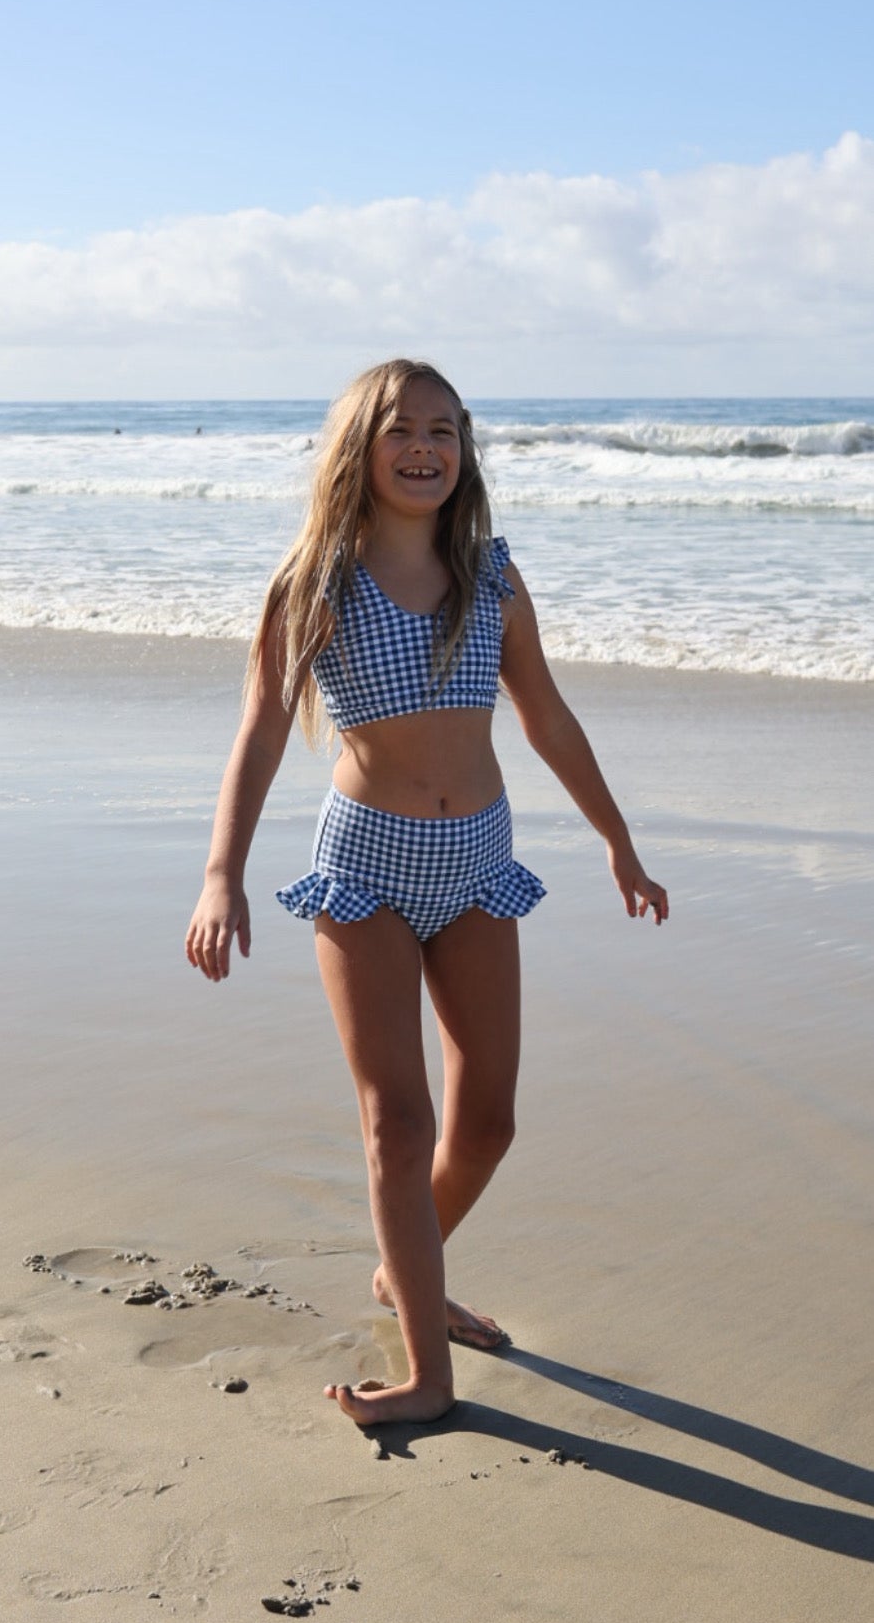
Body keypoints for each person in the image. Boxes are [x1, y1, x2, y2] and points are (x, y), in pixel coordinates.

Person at [185, 359, 667, 1428]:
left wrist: (618, 841)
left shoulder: (491, 573)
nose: (427, 447)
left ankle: (405, 1265)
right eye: (405, 428)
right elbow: (261, 729)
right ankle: (425, 1370)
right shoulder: (314, 580)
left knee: (485, 1123)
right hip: (367, 871)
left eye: (446, 430)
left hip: (480, 863)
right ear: (359, 446)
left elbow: (545, 714)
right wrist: (222, 872)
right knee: (398, 1124)